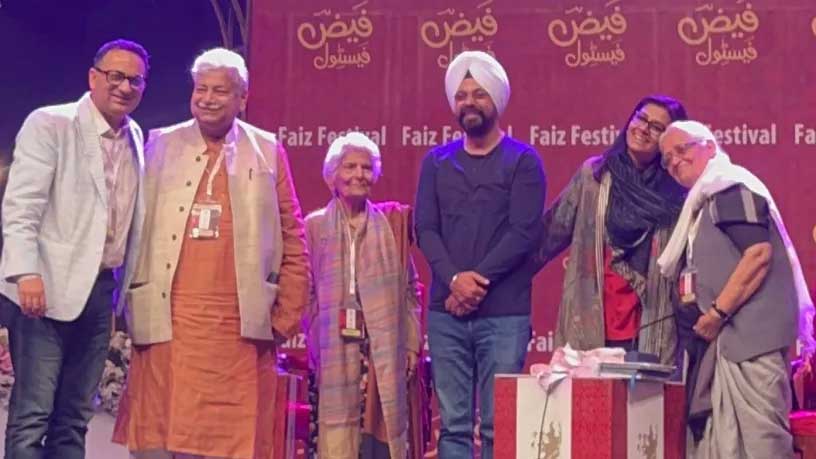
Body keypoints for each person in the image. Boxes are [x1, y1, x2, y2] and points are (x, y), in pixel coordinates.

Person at [112, 47, 310, 459]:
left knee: (230, 443)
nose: (207, 98)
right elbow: (129, 225)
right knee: (159, 439)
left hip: (239, 332)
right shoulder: (159, 144)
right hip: (168, 323)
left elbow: (293, 234)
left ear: (242, 97)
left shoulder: (267, 150)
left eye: (220, 90)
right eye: (201, 89)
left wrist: (287, 312)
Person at [0, 39, 149, 458]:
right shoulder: (52, 123)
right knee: (33, 415)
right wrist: (25, 272)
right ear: (93, 77)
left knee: (75, 416)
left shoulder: (135, 136)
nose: (124, 87)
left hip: (100, 292)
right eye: (115, 76)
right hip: (43, 289)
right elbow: (22, 204)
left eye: (135, 80)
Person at [414, 51, 546, 458]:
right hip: (445, 311)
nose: (469, 102)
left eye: (479, 94)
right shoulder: (436, 163)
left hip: (504, 313)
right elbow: (425, 229)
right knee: (452, 428)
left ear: (497, 101)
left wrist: (473, 283)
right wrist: (454, 280)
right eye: (462, 95)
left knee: (496, 426)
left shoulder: (523, 161)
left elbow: (522, 233)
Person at [657, 120, 815, 458]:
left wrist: (717, 313)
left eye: (681, 150)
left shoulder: (729, 187)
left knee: (761, 446)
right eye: (666, 159)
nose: (674, 162)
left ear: (710, 147)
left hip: (751, 345)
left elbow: (758, 255)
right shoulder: (703, 203)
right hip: (725, 348)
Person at [536, 95, 688, 364]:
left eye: (656, 127)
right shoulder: (594, 175)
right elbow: (547, 236)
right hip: (592, 314)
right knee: (589, 404)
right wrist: (497, 277)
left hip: (651, 318)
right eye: (641, 118)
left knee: (646, 404)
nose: (643, 128)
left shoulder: (675, 194)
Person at [304, 132, 423, 458]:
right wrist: (317, 337)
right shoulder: (313, 227)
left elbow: (411, 291)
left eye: (367, 168)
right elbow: (305, 290)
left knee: (378, 443)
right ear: (333, 175)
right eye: (350, 167)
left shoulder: (389, 227)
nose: (359, 175)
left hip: (380, 350)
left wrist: (411, 342)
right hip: (333, 351)